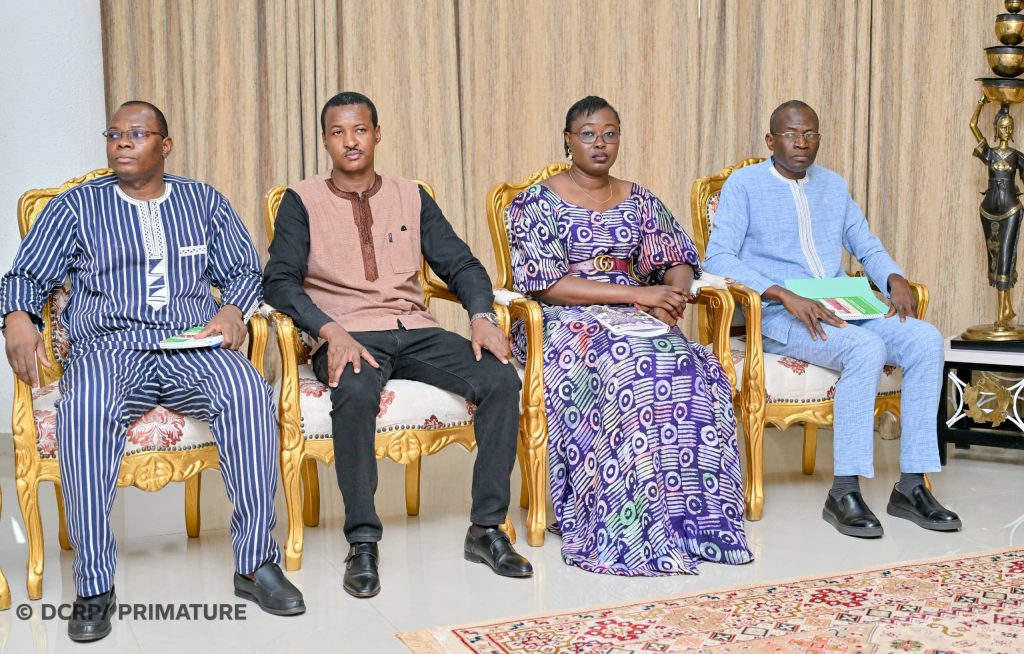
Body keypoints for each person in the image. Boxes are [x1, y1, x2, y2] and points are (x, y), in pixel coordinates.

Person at [0, 101, 304, 642]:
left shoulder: (203, 201)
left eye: (137, 134)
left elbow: (243, 271)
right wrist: (17, 318)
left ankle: (256, 563)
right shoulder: (75, 208)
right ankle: (94, 586)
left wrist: (233, 311)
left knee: (249, 392)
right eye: (114, 133)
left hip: (194, 346)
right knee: (85, 408)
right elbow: (24, 275)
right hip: (111, 348)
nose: (122, 142)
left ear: (165, 146)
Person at [263, 91, 532, 598]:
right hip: (346, 334)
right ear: (325, 141)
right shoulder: (302, 200)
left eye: (360, 130)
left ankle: (486, 529)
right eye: (338, 132)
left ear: (377, 134)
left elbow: (461, 263)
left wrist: (480, 317)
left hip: (415, 329)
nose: (350, 141)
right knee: (355, 390)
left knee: (499, 377)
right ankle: (363, 542)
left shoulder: (411, 196)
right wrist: (329, 331)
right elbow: (279, 281)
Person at [505, 96, 752, 576]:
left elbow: (679, 257)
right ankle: (622, 520)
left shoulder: (640, 199)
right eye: (588, 134)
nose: (600, 143)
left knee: (687, 363)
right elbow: (548, 285)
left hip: (636, 315)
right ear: (568, 140)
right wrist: (638, 295)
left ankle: (687, 521)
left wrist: (671, 297)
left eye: (610, 134)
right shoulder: (536, 202)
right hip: (563, 320)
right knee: (625, 362)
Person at [704, 99, 962, 539]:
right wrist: (783, 293)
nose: (801, 143)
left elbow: (866, 243)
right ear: (770, 140)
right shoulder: (744, 186)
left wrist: (894, 278)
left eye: (810, 135)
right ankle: (843, 492)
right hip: (780, 315)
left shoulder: (834, 186)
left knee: (925, 339)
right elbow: (718, 257)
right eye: (790, 134)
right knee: (866, 349)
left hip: (842, 304)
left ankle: (912, 485)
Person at [970, 96, 1023, 326]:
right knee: (994, 255)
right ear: (997, 129)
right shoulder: (989, 153)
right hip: (988, 210)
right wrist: (981, 103)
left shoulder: (1017, 156)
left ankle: (1002, 314)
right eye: (1003, 127)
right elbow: (973, 125)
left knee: (1006, 255)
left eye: (1009, 127)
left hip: (1011, 209)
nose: (1006, 130)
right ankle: (1006, 308)